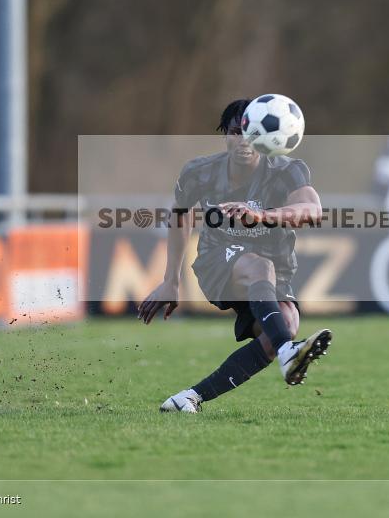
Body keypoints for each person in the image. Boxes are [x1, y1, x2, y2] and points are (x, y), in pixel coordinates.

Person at [137, 99, 332, 413]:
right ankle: (288, 352)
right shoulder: (199, 172)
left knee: (283, 326)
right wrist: (171, 281)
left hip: (274, 267)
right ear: (225, 136)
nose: (243, 141)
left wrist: (263, 216)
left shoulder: (287, 170)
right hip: (217, 260)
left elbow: (312, 210)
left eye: (251, 133)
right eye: (234, 132)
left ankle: (189, 397)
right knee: (259, 267)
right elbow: (180, 216)